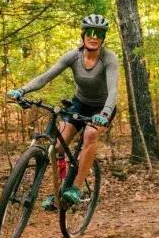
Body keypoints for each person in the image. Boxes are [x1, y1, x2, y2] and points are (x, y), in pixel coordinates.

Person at [7, 14, 119, 206]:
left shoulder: (109, 58)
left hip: (102, 108)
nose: (94, 37)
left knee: (90, 134)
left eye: (99, 33)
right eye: (90, 33)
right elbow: (46, 76)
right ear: (83, 35)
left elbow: (113, 90)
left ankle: (76, 188)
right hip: (80, 102)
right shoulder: (73, 56)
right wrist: (22, 90)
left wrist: (105, 114)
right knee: (58, 147)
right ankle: (58, 193)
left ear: (103, 38)